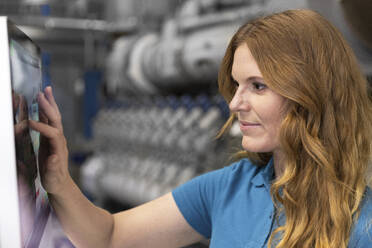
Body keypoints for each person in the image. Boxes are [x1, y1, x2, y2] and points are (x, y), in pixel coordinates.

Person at [29, 9, 372, 248]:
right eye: (237, 85)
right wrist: (59, 180)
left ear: (308, 93)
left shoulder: (363, 222)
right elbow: (109, 236)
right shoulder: (231, 187)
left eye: (257, 86)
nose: (236, 103)